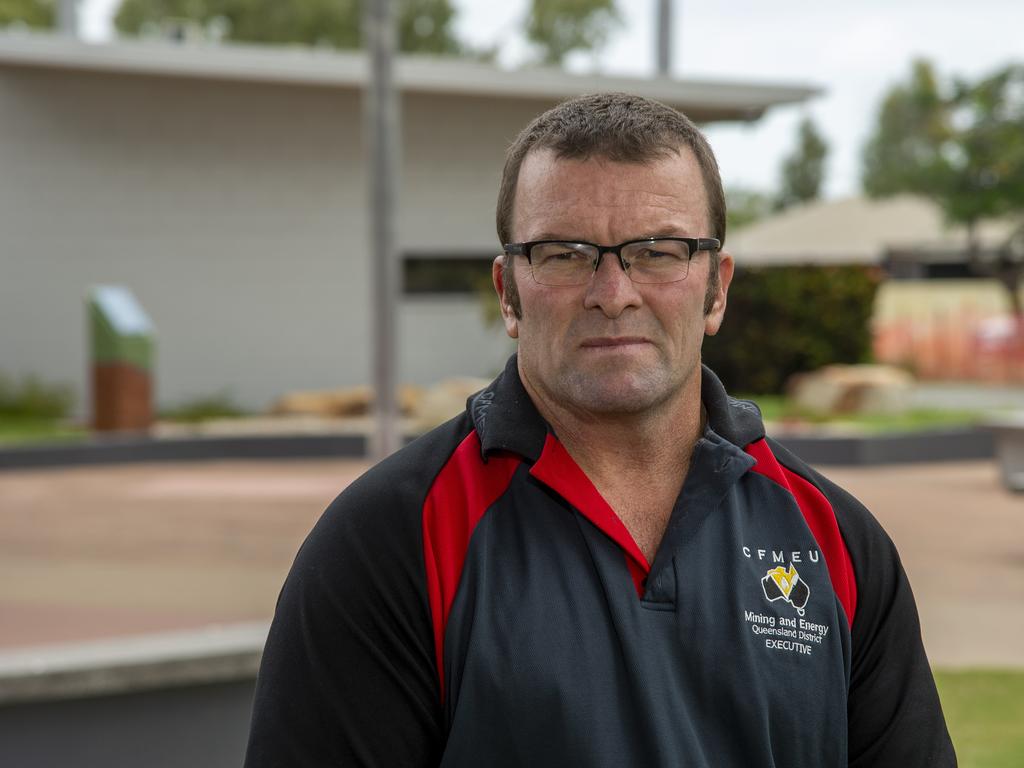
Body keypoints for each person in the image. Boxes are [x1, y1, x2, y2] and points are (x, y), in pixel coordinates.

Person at [244, 93, 956, 767]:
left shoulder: (837, 540)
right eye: (563, 253)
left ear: (717, 288)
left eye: (659, 251)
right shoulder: (388, 541)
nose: (613, 294)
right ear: (508, 292)